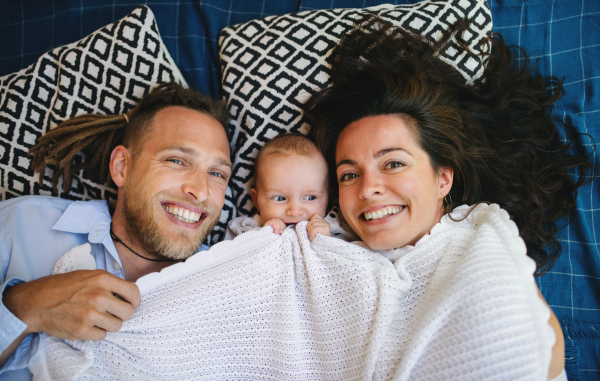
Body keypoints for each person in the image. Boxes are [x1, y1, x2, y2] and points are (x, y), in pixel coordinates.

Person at [303, 17, 592, 380]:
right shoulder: (323, 251)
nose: (367, 188)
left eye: (392, 163)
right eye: (349, 174)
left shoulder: (484, 249)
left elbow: (532, 358)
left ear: (443, 178)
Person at [0, 82, 233, 379]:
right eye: (176, 161)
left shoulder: (227, 283)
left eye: (217, 174)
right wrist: (25, 307)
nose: (200, 191)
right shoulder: (19, 224)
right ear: (122, 166)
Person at [225, 133, 356, 241]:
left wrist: (326, 239)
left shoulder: (335, 227)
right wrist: (263, 236)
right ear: (256, 200)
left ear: (329, 198)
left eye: (310, 197)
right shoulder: (247, 228)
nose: (294, 211)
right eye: (280, 198)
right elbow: (228, 258)